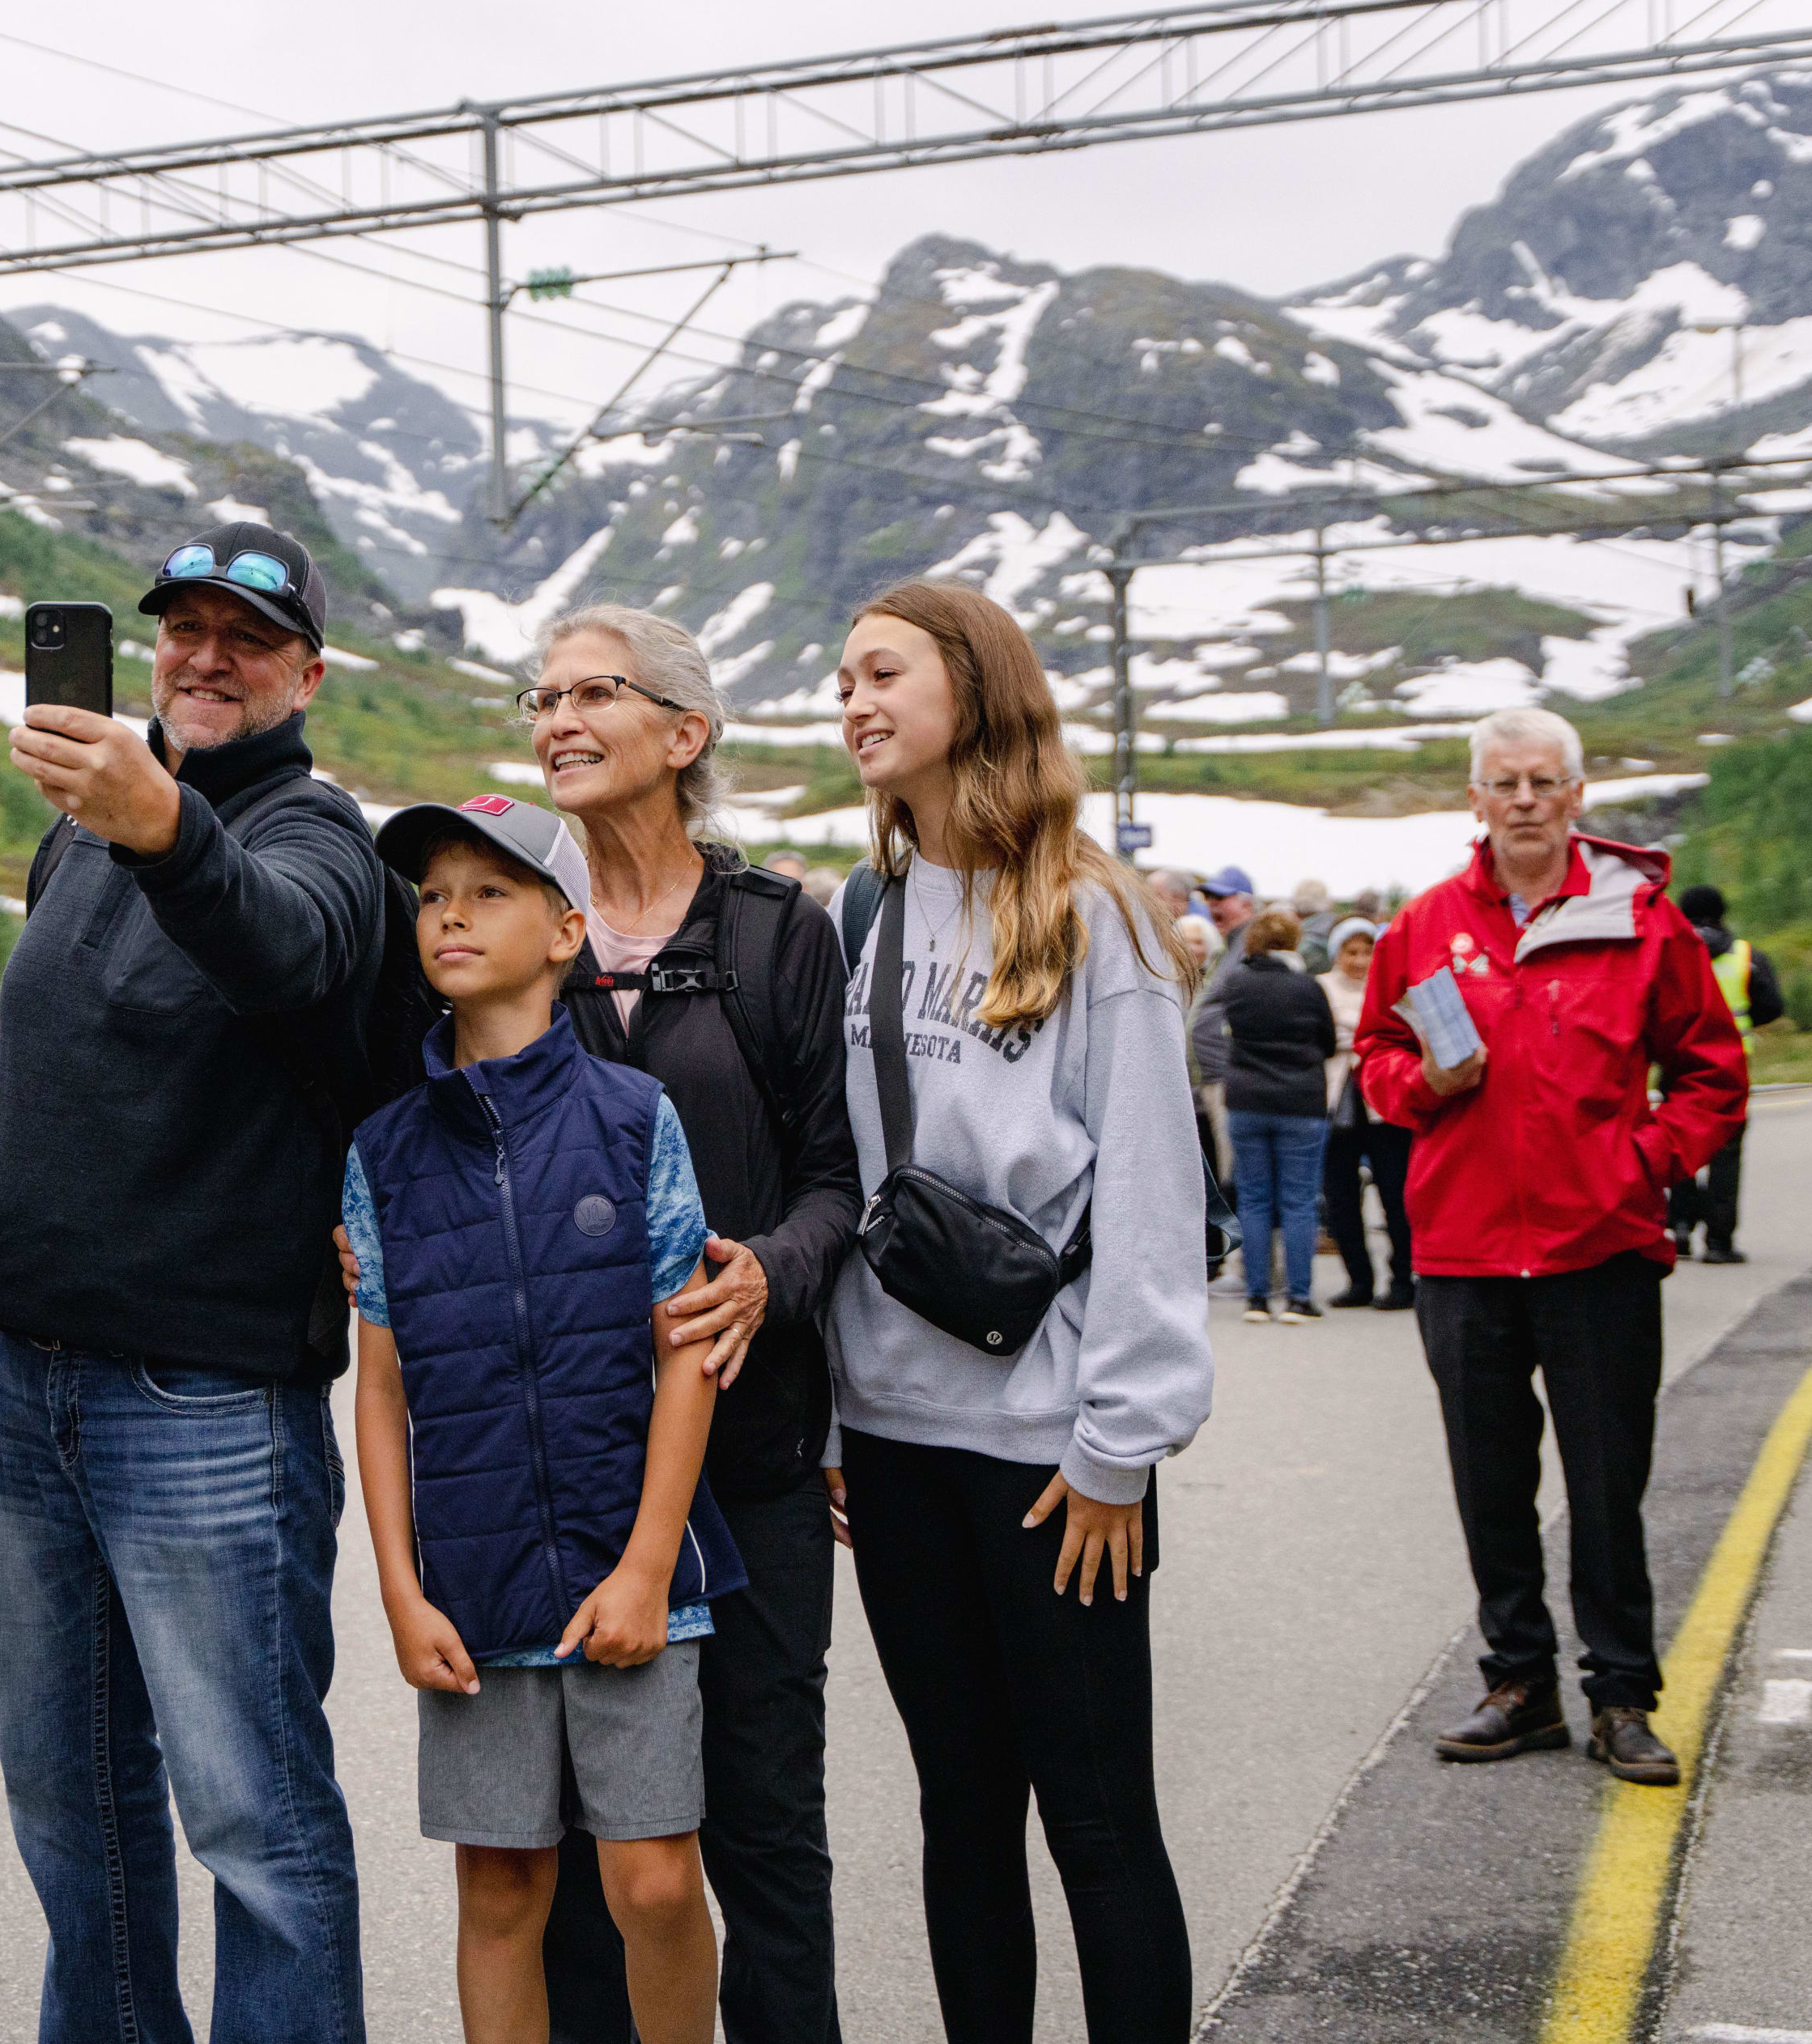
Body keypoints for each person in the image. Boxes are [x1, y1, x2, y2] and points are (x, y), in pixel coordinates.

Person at [0, 516, 386, 2044]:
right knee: (73, 1809)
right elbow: (30, 1038)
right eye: (182, 630)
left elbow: (290, 952)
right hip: (33, 1380)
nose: (203, 658)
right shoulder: (92, 819)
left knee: (253, 1820)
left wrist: (164, 828)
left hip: (203, 1402)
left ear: (303, 675)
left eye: (244, 640)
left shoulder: (318, 839)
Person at [827, 583, 1210, 2044]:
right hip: (896, 1444)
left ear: (974, 689)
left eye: (883, 673)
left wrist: (1121, 1446)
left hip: (1057, 1455)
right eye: (842, 680)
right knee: (961, 1818)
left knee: (1100, 1827)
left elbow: (1156, 1204)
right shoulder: (869, 905)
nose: (855, 701)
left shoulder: (1090, 910)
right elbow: (854, 1178)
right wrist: (835, 1418)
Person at [513, 604, 862, 2044]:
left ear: (684, 734)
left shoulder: (781, 930)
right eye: (540, 699)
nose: (557, 721)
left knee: (766, 1825)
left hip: (753, 1447)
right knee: (601, 1844)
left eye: (595, 693)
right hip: (574, 1462)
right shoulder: (515, 930)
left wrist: (774, 1268)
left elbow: (845, 1181)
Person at [351, 794, 738, 2044]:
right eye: (431, 894)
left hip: (634, 1573)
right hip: (474, 1583)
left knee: (654, 1878)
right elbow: (381, 1387)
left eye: (491, 889)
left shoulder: (634, 1121)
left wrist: (643, 1569)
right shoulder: (385, 1152)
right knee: (502, 1884)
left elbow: (687, 1356)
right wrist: (403, 1596)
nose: (451, 912)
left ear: (568, 930)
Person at [1358, 708, 1746, 1787]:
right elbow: (1379, 1057)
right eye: (1505, 784)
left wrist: (1646, 1160)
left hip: (1601, 1252)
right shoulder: (1426, 927)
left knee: (1607, 1482)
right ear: (1474, 801)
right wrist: (1422, 1083)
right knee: (1491, 1483)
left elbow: (1713, 1071)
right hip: (1465, 1254)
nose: (1525, 801)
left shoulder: (1642, 922)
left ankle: (1622, 1694)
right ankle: (1518, 1683)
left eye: (1544, 783)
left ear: (1576, 797)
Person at [1220, 907, 1338, 1324]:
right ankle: (1300, 1299)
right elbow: (1328, 1041)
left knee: (1253, 1199)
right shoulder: (1308, 987)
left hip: (1247, 1099)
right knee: (1299, 1202)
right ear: (1292, 941)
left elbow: (1226, 1029)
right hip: (1301, 1100)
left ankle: (1256, 1298)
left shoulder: (1237, 983)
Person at [1665, 884, 1781, 1264]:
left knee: (1676, 1146)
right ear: (1722, 912)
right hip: (1730, 1068)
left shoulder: (1669, 953)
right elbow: (1772, 1006)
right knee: (1727, 1155)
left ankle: (1679, 1228)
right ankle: (1719, 1242)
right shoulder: (1747, 956)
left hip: (1677, 1064)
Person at [1317, 917, 1414, 1310]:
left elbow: (1399, 1031)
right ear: (1336, 953)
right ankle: (1358, 1280)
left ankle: (1403, 1280)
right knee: (1340, 1196)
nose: (1359, 960)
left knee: (1396, 1195)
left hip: (1384, 1105)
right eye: (1350, 951)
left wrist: (1352, 1034)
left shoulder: (1392, 984)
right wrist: (1361, 1035)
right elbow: (1324, 1035)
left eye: (1366, 951)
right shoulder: (1320, 987)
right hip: (1336, 1101)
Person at [1187, 865, 1255, 1183]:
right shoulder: (1228, 948)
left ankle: (1243, 1235)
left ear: (1246, 904)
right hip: (1212, 1078)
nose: (1213, 904)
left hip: (1228, 1075)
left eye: (1222, 898)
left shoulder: (1251, 947)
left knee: (1233, 1174)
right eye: (1210, 897)